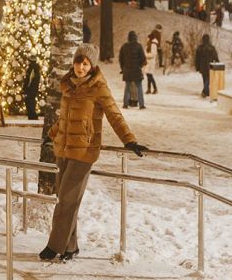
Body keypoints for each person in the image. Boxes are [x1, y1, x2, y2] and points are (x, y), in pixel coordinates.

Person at [39, 44, 149, 261]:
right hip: (64, 148)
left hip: (84, 152)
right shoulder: (69, 86)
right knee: (65, 200)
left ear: (92, 65)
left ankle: (55, 246)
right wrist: (51, 134)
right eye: (78, 62)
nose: (80, 67)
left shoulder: (98, 87)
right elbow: (65, 118)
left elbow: (115, 115)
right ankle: (70, 247)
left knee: (66, 201)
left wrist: (130, 141)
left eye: (85, 63)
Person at [118, 31, 146, 109]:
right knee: (139, 87)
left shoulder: (124, 46)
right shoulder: (139, 46)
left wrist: (123, 68)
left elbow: (121, 59)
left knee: (127, 87)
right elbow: (143, 59)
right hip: (137, 70)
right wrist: (139, 66)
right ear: (136, 37)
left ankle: (125, 104)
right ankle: (141, 104)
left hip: (127, 70)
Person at [23, 55, 41, 120]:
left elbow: (29, 80)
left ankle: (32, 116)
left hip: (30, 89)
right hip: (34, 88)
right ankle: (32, 116)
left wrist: (25, 88)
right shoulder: (36, 68)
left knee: (29, 102)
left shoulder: (32, 69)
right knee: (31, 101)